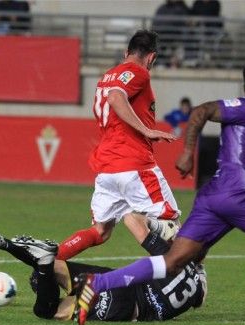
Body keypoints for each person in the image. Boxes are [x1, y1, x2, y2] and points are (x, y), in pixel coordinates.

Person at [74, 59, 245, 325]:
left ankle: (97, 284)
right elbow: (202, 111)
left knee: (172, 262)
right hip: (237, 193)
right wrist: (188, 151)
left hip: (213, 198)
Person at [55, 30, 180, 264]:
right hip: (134, 163)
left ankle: (49, 265)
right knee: (170, 224)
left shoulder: (108, 76)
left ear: (126, 53)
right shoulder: (138, 72)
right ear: (151, 57)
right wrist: (146, 130)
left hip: (108, 167)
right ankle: (175, 280)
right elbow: (116, 97)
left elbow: (111, 96)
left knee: (100, 231)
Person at [0, 219, 207, 322]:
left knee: (44, 290)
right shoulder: (198, 287)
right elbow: (199, 297)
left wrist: (154, 222)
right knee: (44, 298)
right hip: (123, 306)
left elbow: (134, 222)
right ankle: (33, 256)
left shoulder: (169, 256)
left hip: (117, 285)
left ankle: (8, 245)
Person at [152, 0, 190, 67]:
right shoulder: (162, 8)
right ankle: (161, 62)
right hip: (162, 34)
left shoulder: (182, 9)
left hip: (175, 34)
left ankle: (167, 62)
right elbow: (156, 22)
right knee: (157, 42)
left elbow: (183, 23)